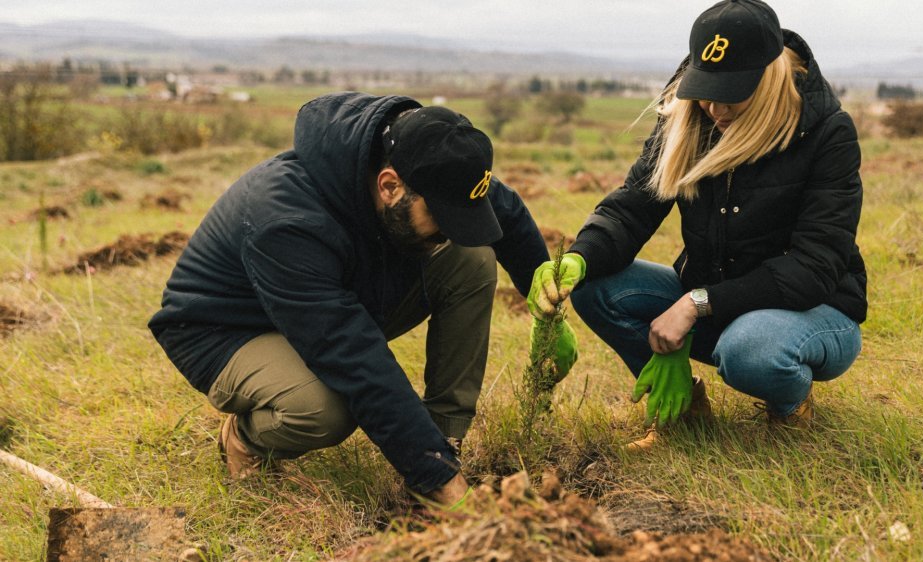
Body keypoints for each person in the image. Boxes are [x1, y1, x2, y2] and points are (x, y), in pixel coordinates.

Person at [149, 93, 578, 507]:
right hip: (226, 330)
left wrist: (547, 314)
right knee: (324, 408)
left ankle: (444, 436)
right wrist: (439, 482)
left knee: (470, 255)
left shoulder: (430, 166)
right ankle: (245, 439)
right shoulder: (285, 220)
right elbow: (354, 355)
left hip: (330, 300)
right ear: (389, 186)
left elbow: (506, 213)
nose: (447, 228)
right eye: (441, 219)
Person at [528, 0, 866, 449]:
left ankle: (789, 407)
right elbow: (633, 207)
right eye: (706, 90)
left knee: (750, 351)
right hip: (715, 301)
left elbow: (815, 267)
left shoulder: (828, 133)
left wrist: (696, 303)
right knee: (597, 287)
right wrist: (579, 257)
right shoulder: (689, 119)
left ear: (768, 78)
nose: (714, 108)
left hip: (814, 313)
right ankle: (683, 410)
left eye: (732, 94)